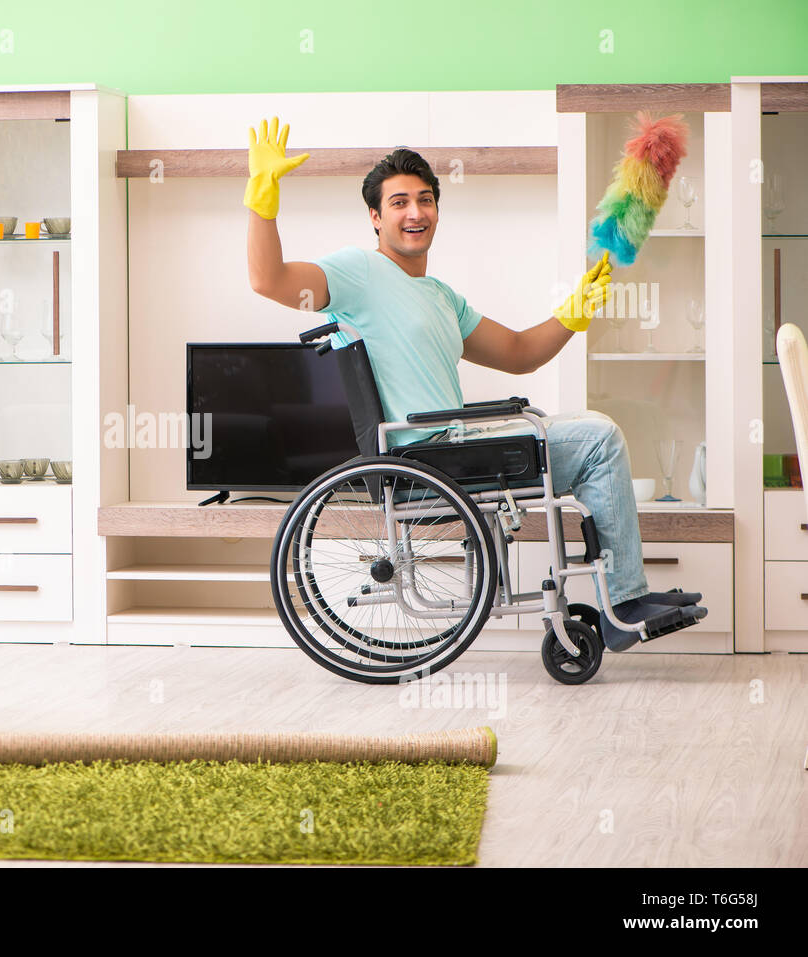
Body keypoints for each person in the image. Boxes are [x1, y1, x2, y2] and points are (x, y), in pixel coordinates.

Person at [243, 116, 706, 651]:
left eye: (425, 200)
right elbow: (268, 279)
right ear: (375, 216)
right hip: (428, 456)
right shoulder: (357, 273)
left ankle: (619, 597)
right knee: (597, 439)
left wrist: (573, 312)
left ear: (437, 210)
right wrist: (262, 194)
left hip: (458, 447)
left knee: (593, 441)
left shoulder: (441, 296)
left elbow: (518, 352)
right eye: (398, 203)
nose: (415, 213)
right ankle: (622, 601)